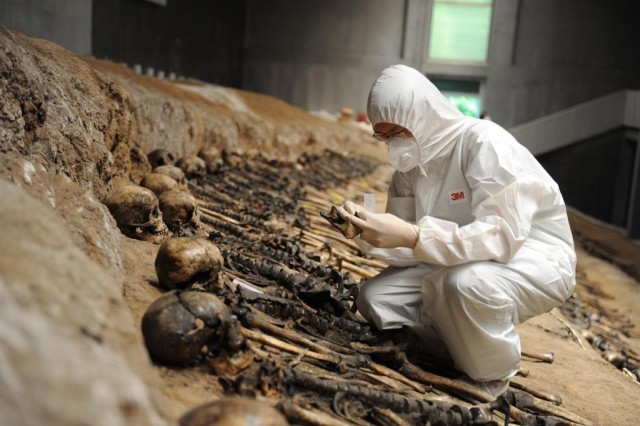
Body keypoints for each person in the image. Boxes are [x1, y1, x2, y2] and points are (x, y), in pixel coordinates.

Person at [337, 65, 576, 397]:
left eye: (397, 132)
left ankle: (491, 375)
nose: (393, 144)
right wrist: (368, 229)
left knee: (462, 284)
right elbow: (408, 248)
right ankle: (458, 349)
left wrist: (414, 236)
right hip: (461, 258)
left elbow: (501, 235)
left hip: (532, 255)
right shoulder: (409, 168)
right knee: (376, 299)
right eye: (384, 136)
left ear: (422, 113)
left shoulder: (483, 142)